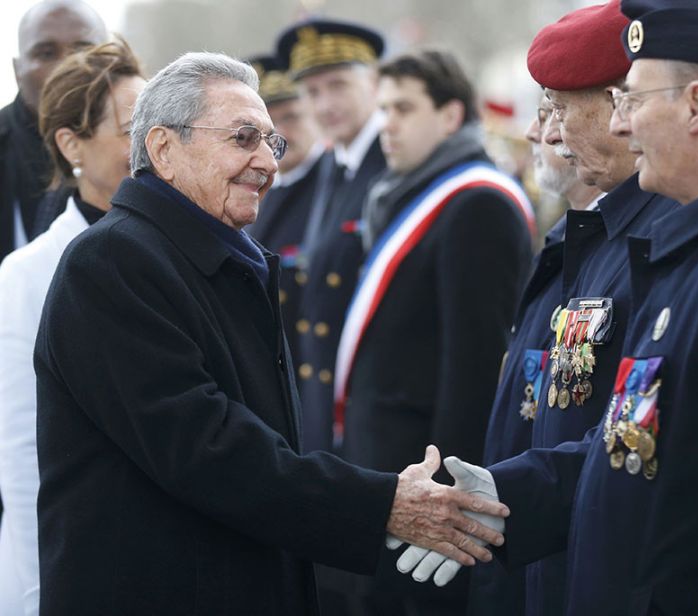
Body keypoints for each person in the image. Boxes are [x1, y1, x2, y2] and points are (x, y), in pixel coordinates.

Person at [33, 51, 509, 616]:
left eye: (271, 142)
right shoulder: (111, 263)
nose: (268, 162)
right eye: (242, 138)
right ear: (163, 149)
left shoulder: (220, 257)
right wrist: (381, 503)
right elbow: (208, 448)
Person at [398, 2, 698, 614]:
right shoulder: (606, 240)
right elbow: (628, 437)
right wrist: (501, 493)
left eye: (631, 103)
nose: (624, 127)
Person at [472, 3, 675, 614]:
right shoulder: (593, 237)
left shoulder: (661, 239)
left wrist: (506, 498)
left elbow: (643, 431)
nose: (549, 133)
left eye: (561, 110)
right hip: (553, 560)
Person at [330, 49, 533, 615]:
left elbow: (472, 372)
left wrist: (446, 503)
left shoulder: (477, 204)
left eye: (403, 108)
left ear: (450, 116)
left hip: (427, 485)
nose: (386, 123)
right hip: (386, 473)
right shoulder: (408, 192)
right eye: (383, 108)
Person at [0, 38, 143, 616]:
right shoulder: (27, 275)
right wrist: (42, 597)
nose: (154, 144)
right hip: (79, 575)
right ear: (71, 144)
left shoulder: (199, 253)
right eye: (133, 127)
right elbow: (22, 455)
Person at [469, 91, 603, 616]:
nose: (534, 133)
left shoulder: (625, 246)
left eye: (553, 114)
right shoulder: (569, 241)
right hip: (525, 544)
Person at [275, 19, 387, 455]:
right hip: (332, 410)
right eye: (313, 91)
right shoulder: (334, 167)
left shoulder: (392, 165)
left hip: (376, 410)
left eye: (338, 85)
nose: (325, 104)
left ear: (374, 82)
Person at [0, 0, 107, 261]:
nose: (67, 66)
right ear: (17, 70)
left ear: (112, 60)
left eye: (84, 50)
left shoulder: (150, 152)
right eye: (47, 53)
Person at [244, 54, 324, 390]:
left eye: (291, 117)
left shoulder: (333, 187)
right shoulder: (252, 190)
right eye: (267, 123)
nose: (280, 133)